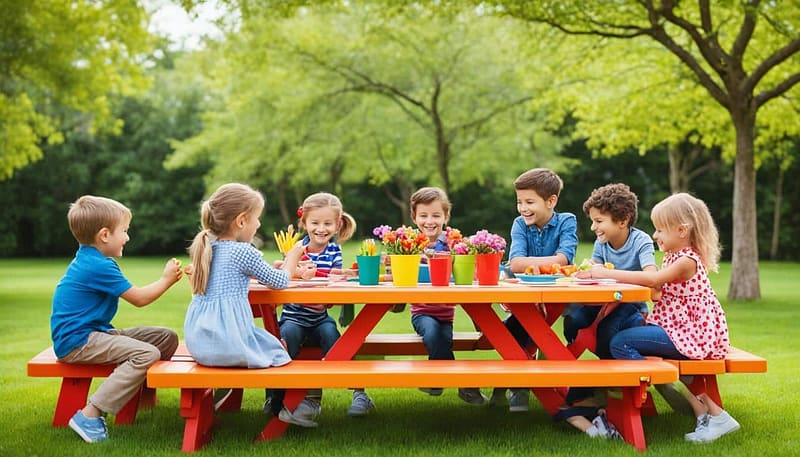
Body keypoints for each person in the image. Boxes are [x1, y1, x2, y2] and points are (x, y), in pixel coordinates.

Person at [576, 192, 740, 443]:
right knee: (625, 341)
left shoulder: (687, 259)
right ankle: (695, 406)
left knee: (621, 342)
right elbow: (657, 291)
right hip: (680, 328)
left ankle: (706, 411)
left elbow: (653, 280)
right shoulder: (675, 255)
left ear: (682, 230)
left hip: (691, 333)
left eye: (660, 230)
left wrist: (608, 273)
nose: (655, 236)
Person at [51, 195, 183, 443]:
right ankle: (90, 415)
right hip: (79, 341)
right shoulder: (98, 266)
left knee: (165, 338)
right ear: (104, 235)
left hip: (96, 333)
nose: (128, 237)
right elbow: (139, 299)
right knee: (147, 353)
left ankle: (140, 399)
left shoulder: (93, 259)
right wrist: (166, 280)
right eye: (124, 231)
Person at [183, 183, 304, 424]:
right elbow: (279, 282)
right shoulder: (242, 251)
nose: (258, 224)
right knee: (280, 346)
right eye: (256, 219)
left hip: (201, 344)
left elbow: (239, 273)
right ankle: (283, 406)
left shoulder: (208, 247)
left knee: (270, 342)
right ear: (241, 221)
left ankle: (229, 392)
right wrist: (292, 257)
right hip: (229, 343)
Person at [556, 183, 660, 438]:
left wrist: (608, 273)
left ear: (622, 220)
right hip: (604, 302)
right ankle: (587, 381)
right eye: (592, 221)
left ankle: (607, 387)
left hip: (630, 306)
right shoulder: (602, 244)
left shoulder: (640, 241)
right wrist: (589, 271)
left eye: (599, 221)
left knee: (606, 335)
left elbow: (652, 278)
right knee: (574, 320)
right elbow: (598, 276)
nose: (593, 228)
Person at [267, 192, 375, 425]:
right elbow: (283, 276)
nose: (321, 229)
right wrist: (297, 271)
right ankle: (277, 394)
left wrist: (335, 281)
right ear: (304, 223)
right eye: (315, 223)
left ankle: (358, 391)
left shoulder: (334, 251)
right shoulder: (295, 249)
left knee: (333, 336)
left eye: (327, 223)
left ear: (337, 225)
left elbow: (333, 284)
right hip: (294, 316)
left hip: (319, 316)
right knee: (286, 338)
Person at [490, 168, 578, 412]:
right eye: (519, 202)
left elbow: (565, 259)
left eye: (529, 202)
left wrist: (534, 265)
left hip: (558, 294)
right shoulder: (519, 224)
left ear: (551, 201)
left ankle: (513, 385)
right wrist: (549, 264)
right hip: (522, 293)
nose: (522, 208)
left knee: (522, 330)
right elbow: (515, 263)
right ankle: (518, 387)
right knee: (522, 325)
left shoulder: (566, 221)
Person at [409, 187, 487, 405]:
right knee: (433, 334)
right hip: (422, 312)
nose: (429, 221)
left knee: (443, 339)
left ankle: (434, 380)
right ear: (414, 217)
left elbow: (469, 274)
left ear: (446, 216)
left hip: (446, 313)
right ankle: (464, 384)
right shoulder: (409, 245)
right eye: (423, 215)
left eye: (436, 215)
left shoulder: (454, 243)